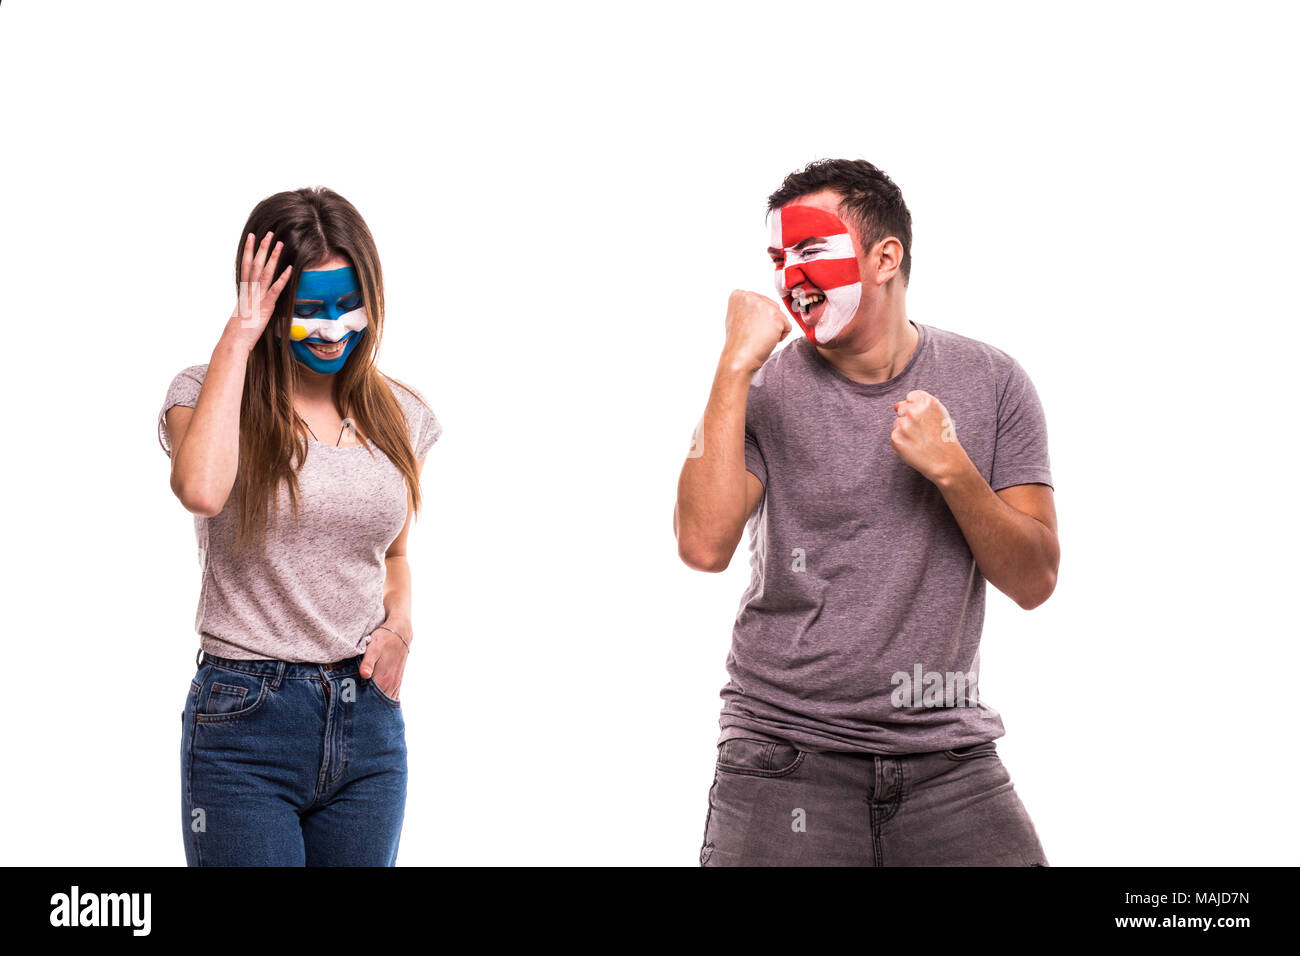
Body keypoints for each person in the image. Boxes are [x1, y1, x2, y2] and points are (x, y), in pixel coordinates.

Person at [674, 159, 1058, 866]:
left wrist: (954, 471)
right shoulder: (760, 387)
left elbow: (1034, 580)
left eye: (811, 250)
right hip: (783, 753)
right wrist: (732, 365)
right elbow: (702, 545)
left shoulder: (995, 382)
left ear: (886, 258)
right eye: (778, 258)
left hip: (951, 760)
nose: (791, 275)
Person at [158, 187, 442, 866]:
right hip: (245, 725)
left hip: (368, 724)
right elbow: (200, 489)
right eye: (308, 311)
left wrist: (400, 628)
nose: (332, 328)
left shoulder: (401, 414)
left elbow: (394, 554)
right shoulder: (203, 395)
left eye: (348, 305)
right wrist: (240, 336)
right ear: (272, 305)